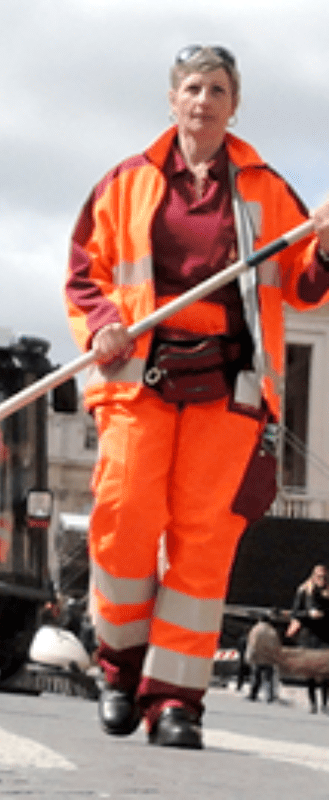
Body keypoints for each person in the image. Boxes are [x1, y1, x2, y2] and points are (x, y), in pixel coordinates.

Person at [65, 45, 329, 749]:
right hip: (139, 381)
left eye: (217, 89)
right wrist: (103, 326)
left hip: (227, 388)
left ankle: (176, 701)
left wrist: (326, 248)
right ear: (173, 99)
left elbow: (305, 285)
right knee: (123, 524)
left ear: (233, 104)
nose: (204, 100)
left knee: (203, 544)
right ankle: (119, 667)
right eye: (192, 88)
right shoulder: (124, 184)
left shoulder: (267, 189)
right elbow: (83, 275)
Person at [285, 564, 329, 712]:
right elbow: (295, 613)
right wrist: (309, 614)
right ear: (313, 576)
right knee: (310, 672)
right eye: (319, 577)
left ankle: (324, 704)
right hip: (309, 635)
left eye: (324, 577)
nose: (321, 579)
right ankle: (313, 704)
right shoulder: (304, 590)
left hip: (326, 636)